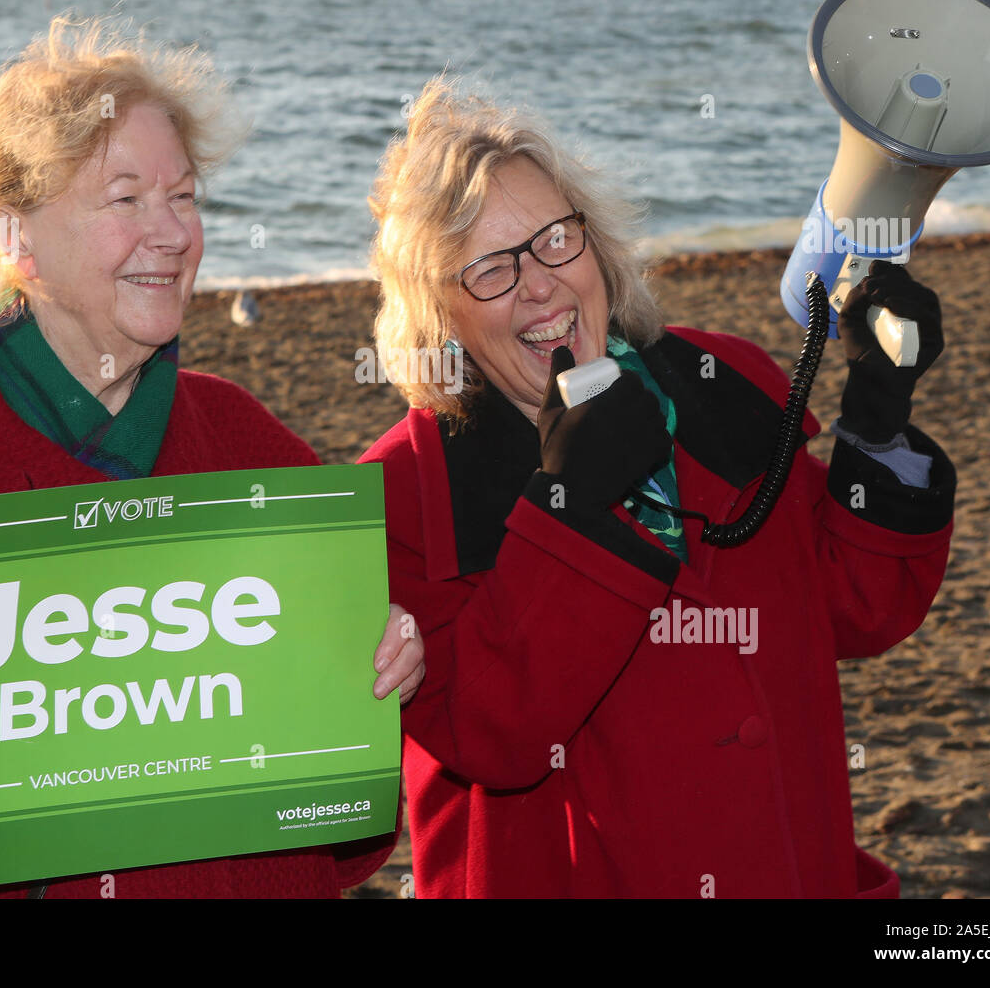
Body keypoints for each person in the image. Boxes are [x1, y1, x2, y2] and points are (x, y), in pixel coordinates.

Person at [0, 15, 423, 899]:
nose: (174, 233)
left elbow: (343, 796)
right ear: (12, 236)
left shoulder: (247, 442)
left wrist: (390, 658)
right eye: (125, 198)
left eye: (184, 196)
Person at [359, 79, 954, 898]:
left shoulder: (719, 381)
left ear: (595, 246)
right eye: (489, 268)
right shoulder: (404, 490)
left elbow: (859, 603)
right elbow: (489, 733)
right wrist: (572, 507)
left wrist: (876, 427)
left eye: (554, 241)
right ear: (438, 315)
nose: (539, 284)